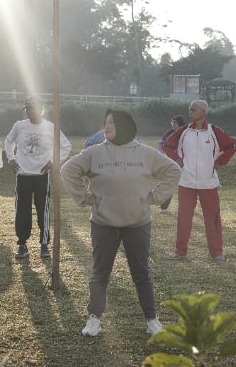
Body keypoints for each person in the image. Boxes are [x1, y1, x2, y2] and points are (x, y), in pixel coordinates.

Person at [61, 109, 181, 337]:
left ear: (125, 126)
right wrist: (84, 198)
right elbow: (69, 170)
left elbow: (173, 170)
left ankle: (151, 320)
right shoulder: (95, 152)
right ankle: (94, 318)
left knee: (141, 273)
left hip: (137, 223)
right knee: (100, 272)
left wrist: (155, 197)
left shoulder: (144, 153)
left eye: (112, 123)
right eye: (105, 123)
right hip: (103, 223)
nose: (106, 127)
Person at [163, 100, 236, 262]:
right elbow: (167, 145)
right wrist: (177, 159)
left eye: (193, 110)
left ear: (203, 112)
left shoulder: (214, 131)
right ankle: (180, 251)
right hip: (186, 181)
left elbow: (232, 145)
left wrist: (219, 162)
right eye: (189, 110)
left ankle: (217, 253)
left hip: (208, 182)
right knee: (184, 217)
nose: (190, 112)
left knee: (213, 218)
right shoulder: (183, 132)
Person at [5, 96, 72, 259]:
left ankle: (44, 244)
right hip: (23, 174)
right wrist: (11, 159)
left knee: (43, 209)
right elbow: (8, 141)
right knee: (22, 210)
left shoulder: (50, 127)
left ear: (41, 109)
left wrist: (53, 162)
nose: (29, 111)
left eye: (32, 108)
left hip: (41, 175)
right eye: (27, 108)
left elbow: (66, 146)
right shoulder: (19, 126)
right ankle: (22, 244)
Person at [156, 115, 186, 213]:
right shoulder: (169, 133)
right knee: (170, 184)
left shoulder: (186, 133)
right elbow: (162, 145)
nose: (173, 124)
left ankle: (186, 206)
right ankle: (164, 207)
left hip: (185, 163)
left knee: (186, 186)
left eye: (175, 123)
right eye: (172, 122)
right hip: (172, 162)